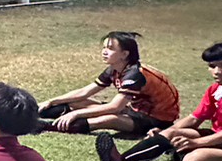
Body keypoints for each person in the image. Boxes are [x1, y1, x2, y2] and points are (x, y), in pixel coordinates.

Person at [37, 32, 181, 135]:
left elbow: (114, 107)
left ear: (125, 54)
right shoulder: (115, 68)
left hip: (156, 120)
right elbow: (85, 92)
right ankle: (37, 112)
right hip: (135, 111)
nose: (104, 52)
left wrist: (76, 114)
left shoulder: (135, 74)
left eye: (110, 48)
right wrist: (52, 101)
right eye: (104, 47)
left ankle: (47, 126)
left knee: (109, 119)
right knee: (79, 102)